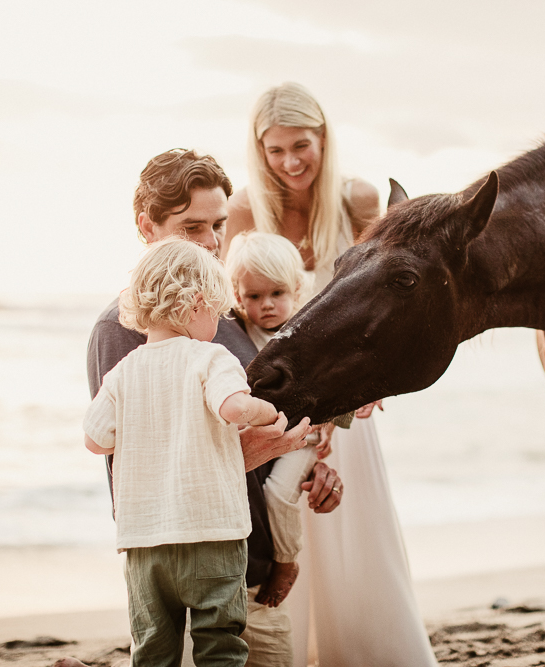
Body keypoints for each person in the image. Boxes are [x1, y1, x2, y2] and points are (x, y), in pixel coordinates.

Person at [85, 149, 344, 667]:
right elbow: (136, 468)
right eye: (192, 227)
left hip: (254, 557)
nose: (210, 241)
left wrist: (310, 464)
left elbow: (258, 423)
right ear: (146, 227)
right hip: (193, 567)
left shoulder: (224, 313)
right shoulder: (121, 328)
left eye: (219, 224)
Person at [226, 83, 439, 667]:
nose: (291, 162)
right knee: (280, 519)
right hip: (276, 404)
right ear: (259, 150)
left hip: (349, 402)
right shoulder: (244, 209)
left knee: (356, 543)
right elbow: (231, 316)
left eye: (303, 145)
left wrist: (377, 383)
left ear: (324, 138)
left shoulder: (356, 199)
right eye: (276, 150)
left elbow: (391, 301)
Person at [84, 237, 285, 666]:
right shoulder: (211, 357)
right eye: (217, 310)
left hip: (144, 545)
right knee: (220, 644)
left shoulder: (123, 371)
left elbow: (96, 439)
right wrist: (266, 411)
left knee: (153, 649)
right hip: (211, 533)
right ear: (197, 304)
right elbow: (232, 407)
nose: (218, 321)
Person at [224, 231, 322, 610]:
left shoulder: (306, 331)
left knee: (278, 494)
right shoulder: (237, 329)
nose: (266, 305)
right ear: (237, 296)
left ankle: (285, 561)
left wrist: (329, 426)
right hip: (266, 434)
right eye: (254, 296)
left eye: (277, 294)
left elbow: (335, 382)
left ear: (297, 288)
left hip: (302, 434)